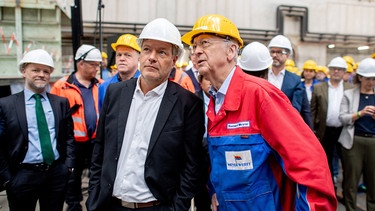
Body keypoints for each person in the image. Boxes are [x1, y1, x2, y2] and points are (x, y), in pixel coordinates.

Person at [181, 14, 337, 211]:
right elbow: (221, 160)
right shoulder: (216, 100)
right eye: (194, 46)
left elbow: (312, 164)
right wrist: (214, 190)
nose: (196, 52)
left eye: (205, 43)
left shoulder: (261, 96)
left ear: (231, 51)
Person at [86, 18, 205, 211]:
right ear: (140, 55)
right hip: (110, 204)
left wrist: (177, 207)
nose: (152, 57)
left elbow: (191, 166)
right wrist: (94, 196)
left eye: (162, 52)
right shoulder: (115, 93)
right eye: (147, 49)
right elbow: (100, 148)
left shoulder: (187, 104)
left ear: (174, 60)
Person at [0, 49, 75, 211]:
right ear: (23, 71)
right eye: (35, 70)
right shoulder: (6, 105)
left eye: (46, 71)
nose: (41, 74)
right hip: (22, 175)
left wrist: (68, 166)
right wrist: (7, 178)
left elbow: (69, 137)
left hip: (55, 174)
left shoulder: (61, 103)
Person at [51, 44, 103, 211]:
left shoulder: (100, 85)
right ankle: (73, 207)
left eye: (98, 65)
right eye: (93, 64)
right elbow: (55, 116)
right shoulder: (62, 86)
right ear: (81, 64)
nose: (97, 68)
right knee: (72, 178)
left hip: (96, 141)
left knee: (97, 176)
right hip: (74, 143)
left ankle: (94, 205)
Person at [338, 58, 375, 211]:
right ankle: (350, 208)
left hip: (373, 142)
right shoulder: (349, 94)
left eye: (374, 79)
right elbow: (342, 118)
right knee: (351, 182)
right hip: (354, 142)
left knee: (373, 182)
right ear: (360, 77)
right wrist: (360, 113)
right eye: (368, 78)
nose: (371, 82)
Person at [311, 57, 353, 188]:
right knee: (326, 161)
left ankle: (346, 190)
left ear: (344, 72)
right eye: (333, 69)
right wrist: (312, 130)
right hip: (325, 131)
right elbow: (312, 110)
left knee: (347, 162)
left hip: (344, 130)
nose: (336, 71)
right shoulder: (319, 88)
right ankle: (330, 188)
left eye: (339, 69)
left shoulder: (350, 88)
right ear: (329, 70)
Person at [267, 35, 313, 128]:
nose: (275, 55)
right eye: (272, 51)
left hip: (285, 127)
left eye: (279, 52)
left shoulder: (295, 80)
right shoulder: (262, 76)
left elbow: (302, 110)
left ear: (287, 55)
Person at [98, 34, 141, 111]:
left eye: (127, 55)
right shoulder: (104, 87)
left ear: (139, 58)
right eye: (119, 55)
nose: (122, 59)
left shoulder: (146, 85)